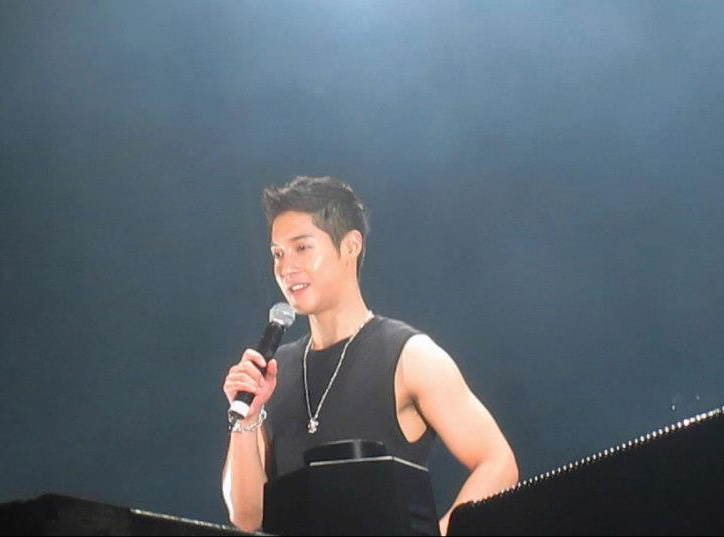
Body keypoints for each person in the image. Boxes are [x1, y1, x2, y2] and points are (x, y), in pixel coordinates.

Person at [222, 176, 518, 535]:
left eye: (302, 248)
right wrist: (247, 417)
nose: (286, 268)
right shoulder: (273, 371)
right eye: (278, 254)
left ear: (350, 246)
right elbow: (247, 517)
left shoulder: (410, 356)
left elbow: (498, 463)